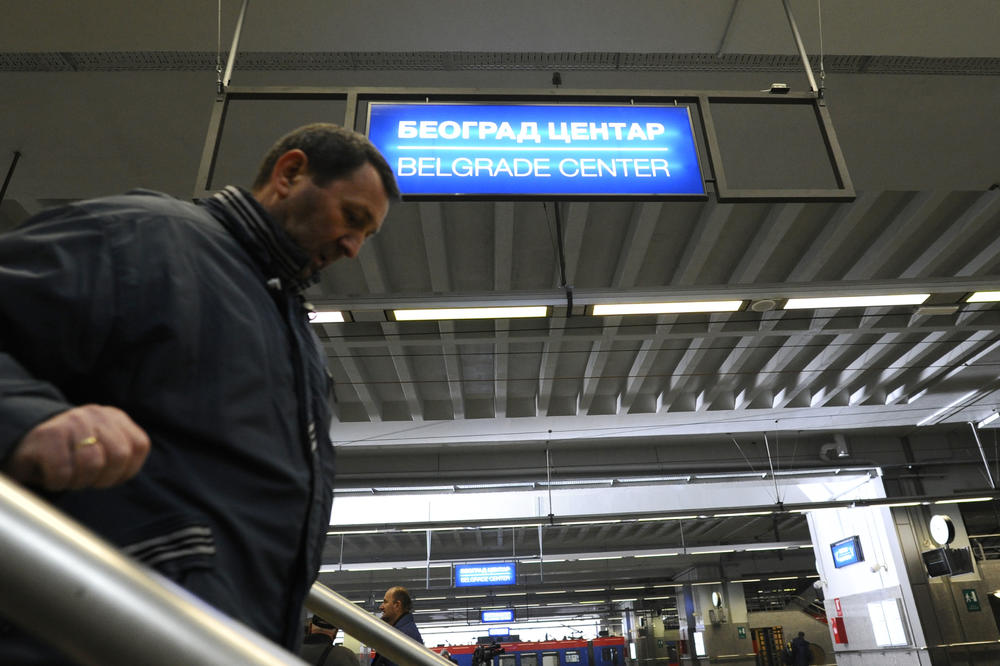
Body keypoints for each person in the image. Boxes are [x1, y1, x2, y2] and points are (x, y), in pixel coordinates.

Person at [0, 123, 398, 662]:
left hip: (218, 636)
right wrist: (29, 417)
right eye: (352, 218)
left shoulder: (294, 331)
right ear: (289, 174)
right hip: (104, 630)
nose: (353, 247)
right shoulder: (143, 238)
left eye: (367, 235)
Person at [371, 586, 423, 666]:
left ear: (397, 605)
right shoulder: (400, 632)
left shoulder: (403, 637)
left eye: (385, 602)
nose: (381, 607)